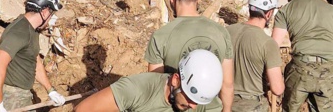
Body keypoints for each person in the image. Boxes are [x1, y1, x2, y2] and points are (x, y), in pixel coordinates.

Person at [145, 0, 234, 112]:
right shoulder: (221, 32)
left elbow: (155, 87)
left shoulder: (161, 35)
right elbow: (228, 83)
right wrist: (227, 109)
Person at [0, 0, 66, 111]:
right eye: (51, 13)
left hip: (21, 97)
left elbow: (33, 61)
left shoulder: (32, 29)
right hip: (11, 98)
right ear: (45, 11)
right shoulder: (19, 32)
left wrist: (50, 90)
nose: (51, 18)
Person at [75, 49, 223, 112]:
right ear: (176, 80)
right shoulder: (137, 89)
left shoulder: (201, 100)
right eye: (190, 99)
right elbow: (83, 110)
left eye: (197, 102)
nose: (193, 107)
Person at [272, 0, 333, 112]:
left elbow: (273, 46)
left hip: (301, 68)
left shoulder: (285, 10)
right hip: (328, 69)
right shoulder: (330, 8)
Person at [227, 0, 285, 112]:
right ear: (269, 13)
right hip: (251, 105)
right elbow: (277, 88)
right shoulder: (268, 43)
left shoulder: (227, 32)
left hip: (224, 101)